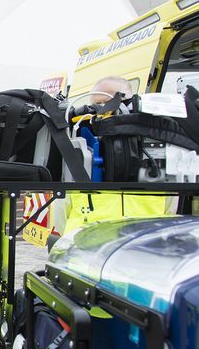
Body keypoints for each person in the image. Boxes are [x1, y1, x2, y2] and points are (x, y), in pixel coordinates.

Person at [51, 76, 175, 239]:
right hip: (85, 250)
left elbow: (171, 208)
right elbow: (60, 214)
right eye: (98, 104)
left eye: (113, 102)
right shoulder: (79, 151)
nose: (105, 110)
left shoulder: (155, 153)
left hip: (145, 248)